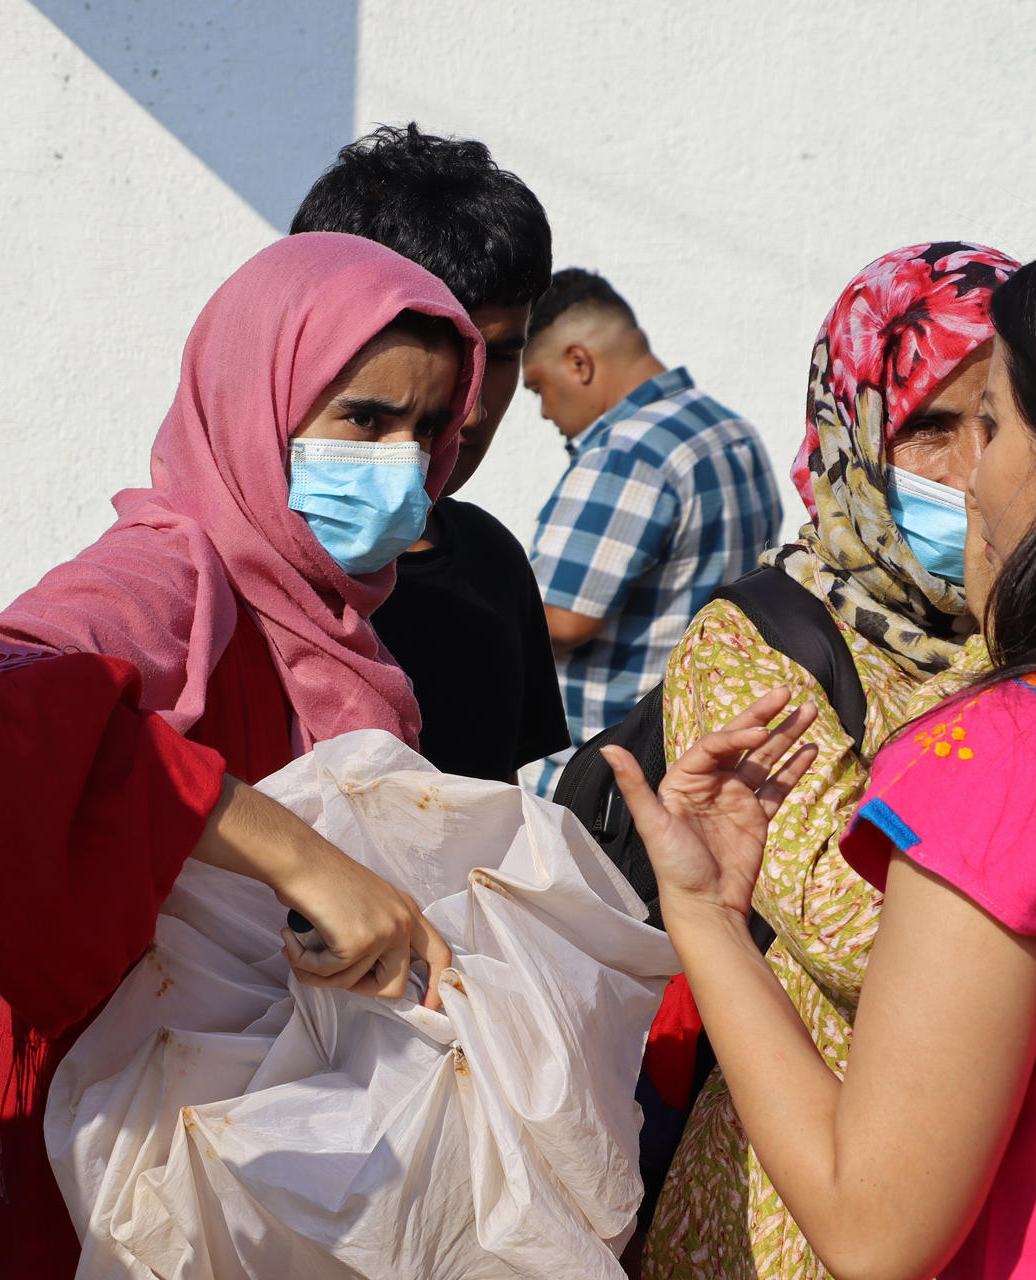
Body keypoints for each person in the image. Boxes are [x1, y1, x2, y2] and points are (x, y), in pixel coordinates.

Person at [0, 232, 475, 1279]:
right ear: (255, 404)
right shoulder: (171, 569)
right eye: (363, 418)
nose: (404, 461)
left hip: (277, 1156)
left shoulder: (336, 626)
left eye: (428, 427)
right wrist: (302, 859)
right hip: (111, 1161)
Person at [604, 257, 1036, 1280]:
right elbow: (853, 929)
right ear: (854, 426)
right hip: (794, 1186)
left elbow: (933, 935)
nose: (962, 469)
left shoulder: (1001, 723)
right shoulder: (753, 637)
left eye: (993, 421)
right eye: (933, 423)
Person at [290, 123, 568, 782]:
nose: (467, 411)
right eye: (438, 353)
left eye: (499, 356)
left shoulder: (490, 562)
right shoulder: (208, 587)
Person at [522, 268, 783, 794]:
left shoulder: (629, 450)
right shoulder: (730, 429)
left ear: (578, 361)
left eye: (538, 388)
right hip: (685, 747)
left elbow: (565, 619)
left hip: (603, 773)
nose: (546, 411)